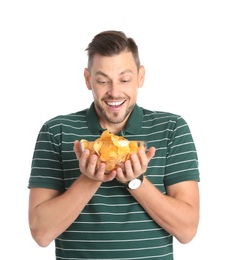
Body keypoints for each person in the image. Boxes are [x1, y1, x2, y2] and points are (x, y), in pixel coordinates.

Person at [28, 30, 200, 259]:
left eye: (125, 79)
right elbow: (41, 233)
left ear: (141, 77)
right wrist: (90, 178)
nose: (114, 92)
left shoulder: (172, 128)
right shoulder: (56, 131)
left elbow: (187, 230)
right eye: (102, 81)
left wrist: (136, 181)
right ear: (88, 80)